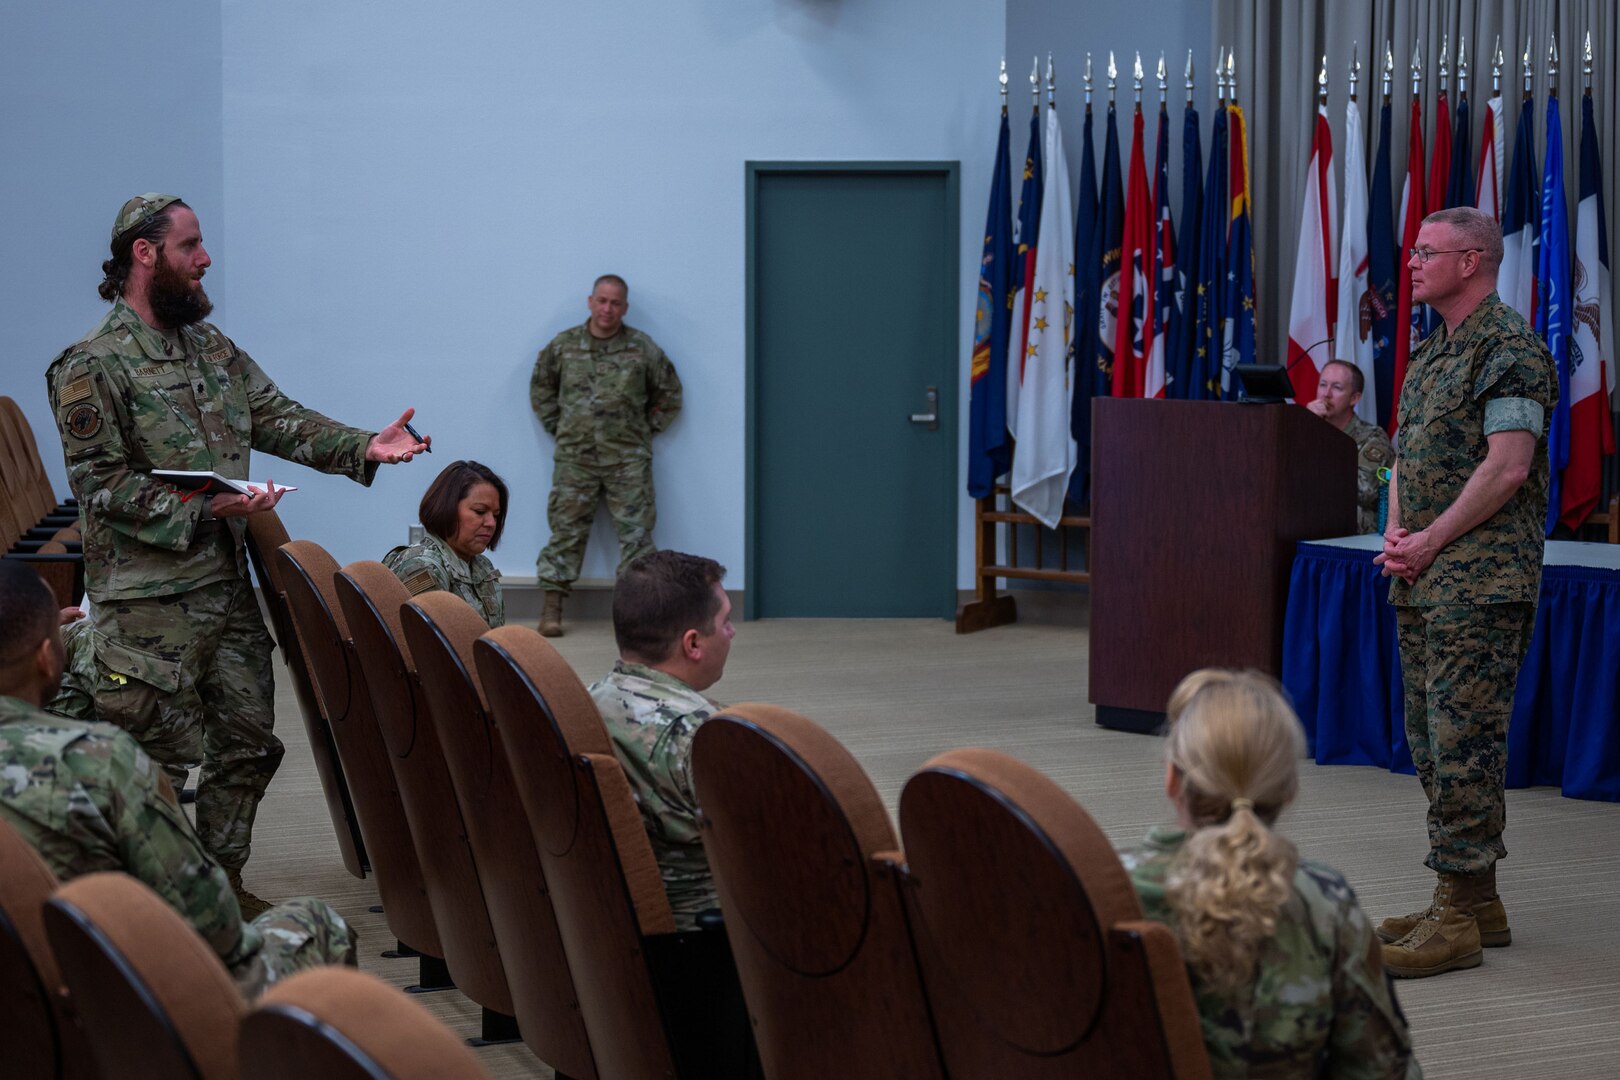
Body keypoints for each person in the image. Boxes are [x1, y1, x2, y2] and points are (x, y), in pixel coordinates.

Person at [45, 194, 430, 915]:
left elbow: (278, 417)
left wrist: (362, 447)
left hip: (226, 590)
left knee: (250, 746)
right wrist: (201, 507)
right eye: (190, 246)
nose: (206, 258)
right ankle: (139, 915)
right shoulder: (90, 365)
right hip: (148, 607)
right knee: (148, 762)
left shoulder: (212, 350)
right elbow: (100, 486)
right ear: (145, 253)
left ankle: (215, 895)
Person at [0, 560, 357, 1000]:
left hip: (27, 1008)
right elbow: (214, 927)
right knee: (318, 925)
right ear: (45, 656)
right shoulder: (98, 760)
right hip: (103, 1002)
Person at [1373, 206, 1555, 980]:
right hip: (1424, 575)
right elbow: (1405, 459)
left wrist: (1430, 539)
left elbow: (1509, 466)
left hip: (1479, 582)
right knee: (1429, 738)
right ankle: (1476, 899)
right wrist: (1396, 532)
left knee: (1464, 745)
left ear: (1473, 260)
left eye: (1427, 252)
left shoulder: (1509, 348)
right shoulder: (1428, 353)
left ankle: (1456, 915)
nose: (1411, 263)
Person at [1119, 669, 1421, 1078]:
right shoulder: (1325, 903)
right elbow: (1382, 1069)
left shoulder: (1109, 888)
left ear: (1173, 780)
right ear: (1289, 789)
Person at [530, 274, 682, 637]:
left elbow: (670, 394)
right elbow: (541, 387)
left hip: (627, 461)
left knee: (637, 539)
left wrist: (642, 432)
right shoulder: (564, 346)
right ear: (590, 301)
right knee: (565, 532)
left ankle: (639, 616)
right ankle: (552, 609)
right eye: (601, 300)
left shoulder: (642, 349)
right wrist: (561, 427)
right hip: (575, 459)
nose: (607, 309)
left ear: (624, 308)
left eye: (615, 303)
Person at [588, 550, 733, 927]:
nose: (732, 633)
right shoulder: (703, 735)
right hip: (710, 938)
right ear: (693, 644)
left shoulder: (581, 704)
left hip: (606, 923)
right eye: (726, 621)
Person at [384, 460, 508, 627]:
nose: (491, 523)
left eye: (496, 515)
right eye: (480, 511)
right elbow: (430, 647)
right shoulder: (423, 566)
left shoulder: (482, 566)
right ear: (447, 508)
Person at [1306, 359, 1394, 533]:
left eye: (1337, 387)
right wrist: (1307, 427)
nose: (1326, 394)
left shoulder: (1373, 438)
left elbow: (1364, 491)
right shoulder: (1304, 431)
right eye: (1323, 385)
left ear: (1355, 398)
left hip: (1360, 528)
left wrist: (1319, 442)